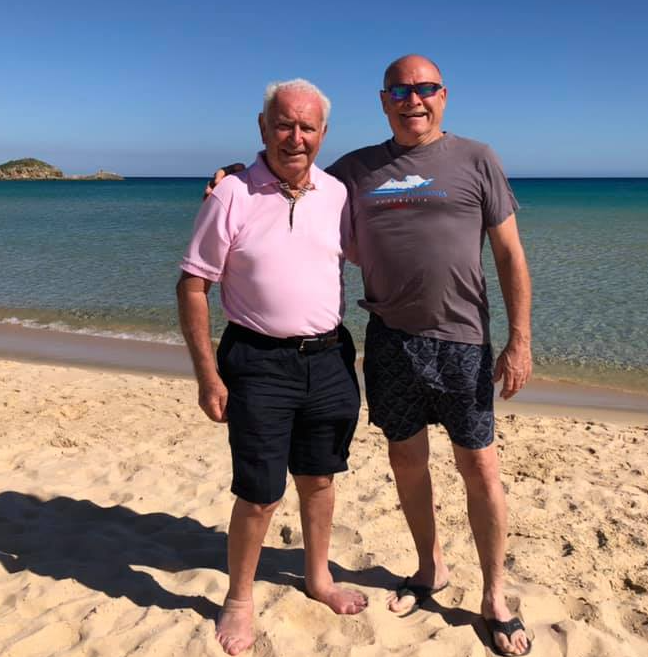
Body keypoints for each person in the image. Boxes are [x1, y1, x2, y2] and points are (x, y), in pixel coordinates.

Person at [207, 55, 532, 656]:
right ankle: (429, 567)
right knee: (407, 462)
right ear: (384, 101)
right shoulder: (357, 169)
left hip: (463, 342)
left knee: (480, 468)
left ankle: (494, 597)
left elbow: (510, 254)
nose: (414, 100)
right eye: (400, 91)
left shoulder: (477, 158)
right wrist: (233, 172)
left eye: (425, 89)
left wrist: (520, 340)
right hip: (389, 340)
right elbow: (290, 169)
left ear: (443, 95)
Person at [178, 78, 367, 657]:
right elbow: (192, 286)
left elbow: (378, 249)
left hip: (330, 358)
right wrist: (207, 374)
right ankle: (239, 598)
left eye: (307, 127)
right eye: (284, 124)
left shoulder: (337, 194)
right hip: (257, 362)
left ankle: (318, 577)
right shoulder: (231, 194)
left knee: (320, 479)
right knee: (259, 493)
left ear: (323, 133)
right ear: (263, 127)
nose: (295, 137)